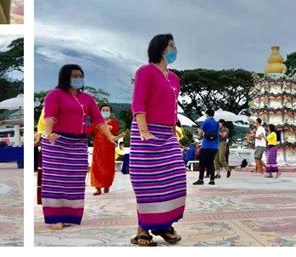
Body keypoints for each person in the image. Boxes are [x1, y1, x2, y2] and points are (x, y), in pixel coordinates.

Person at [41, 64, 115, 229]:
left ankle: (70, 216)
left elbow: (99, 120)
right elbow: (50, 117)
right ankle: (55, 218)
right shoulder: (55, 95)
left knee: (74, 180)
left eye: (80, 76)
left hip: (78, 144)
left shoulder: (87, 98)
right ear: (65, 77)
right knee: (56, 180)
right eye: (74, 75)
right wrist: (47, 134)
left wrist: (110, 137)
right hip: (57, 142)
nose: (78, 78)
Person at [129, 34, 185, 246]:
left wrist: (173, 134)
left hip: (167, 133)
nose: (174, 49)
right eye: (170, 46)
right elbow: (138, 102)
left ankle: (164, 223)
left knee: (175, 177)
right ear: (159, 48)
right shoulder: (145, 72)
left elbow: (173, 108)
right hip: (146, 130)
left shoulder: (174, 78)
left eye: (174, 45)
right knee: (147, 182)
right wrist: (143, 130)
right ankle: (143, 229)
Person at [91, 104, 122, 195]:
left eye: (107, 110)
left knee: (108, 168)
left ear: (110, 112)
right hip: (98, 148)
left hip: (109, 148)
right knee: (97, 167)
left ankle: (107, 185)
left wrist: (109, 127)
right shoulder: (96, 122)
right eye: (103, 110)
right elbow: (89, 131)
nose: (105, 112)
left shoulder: (113, 122)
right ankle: (97, 188)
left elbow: (116, 130)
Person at [193, 109, 219, 185]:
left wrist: (199, 131)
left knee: (202, 163)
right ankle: (212, 180)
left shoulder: (206, 121)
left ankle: (201, 180)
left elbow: (201, 134)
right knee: (211, 162)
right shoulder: (217, 123)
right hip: (215, 146)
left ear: (207, 114)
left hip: (206, 145)